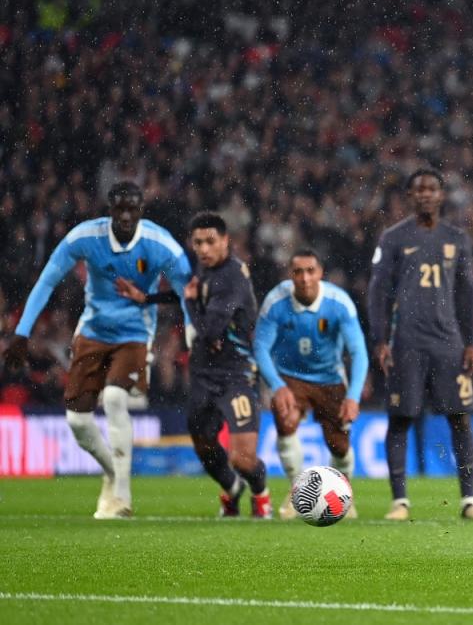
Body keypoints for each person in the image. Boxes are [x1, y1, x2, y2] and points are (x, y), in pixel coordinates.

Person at [2, 181, 192, 518]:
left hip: (135, 331)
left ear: (141, 210)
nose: (125, 214)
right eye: (119, 207)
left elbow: (186, 290)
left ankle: (121, 496)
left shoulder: (159, 243)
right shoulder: (85, 238)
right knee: (77, 421)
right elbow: (47, 280)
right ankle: (111, 471)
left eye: (132, 208)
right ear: (109, 208)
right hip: (92, 330)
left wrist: (192, 335)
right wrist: (21, 333)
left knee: (117, 400)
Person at [367, 169, 473, 522]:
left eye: (432, 189)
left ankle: (469, 501)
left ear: (441, 195)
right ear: (409, 195)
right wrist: (379, 339)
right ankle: (400, 502)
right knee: (401, 418)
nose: (425, 194)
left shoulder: (457, 238)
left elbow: (467, 293)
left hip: (448, 343)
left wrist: (471, 343)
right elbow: (378, 292)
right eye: (418, 189)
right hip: (406, 341)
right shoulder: (393, 238)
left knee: (460, 418)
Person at [253, 249, 369, 519]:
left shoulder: (339, 303)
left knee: (339, 445)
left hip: (330, 378)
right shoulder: (276, 302)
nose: (304, 278)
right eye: (298, 272)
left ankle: (343, 494)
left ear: (320, 273)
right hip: (290, 377)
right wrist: (277, 385)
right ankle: (297, 493)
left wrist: (353, 396)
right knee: (285, 419)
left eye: (310, 271)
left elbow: (359, 352)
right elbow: (260, 347)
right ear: (290, 275)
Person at [182, 212, 271, 518]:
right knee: (204, 446)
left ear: (225, 241)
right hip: (203, 373)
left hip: (237, 374)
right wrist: (149, 297)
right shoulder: (205, 268)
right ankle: (232, 490)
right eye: (198, 243)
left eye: (210, 242)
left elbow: (208, 330)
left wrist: (191, 303)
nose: (204, 249)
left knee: (243, 458)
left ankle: (261, 495)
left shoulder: (232, 276)